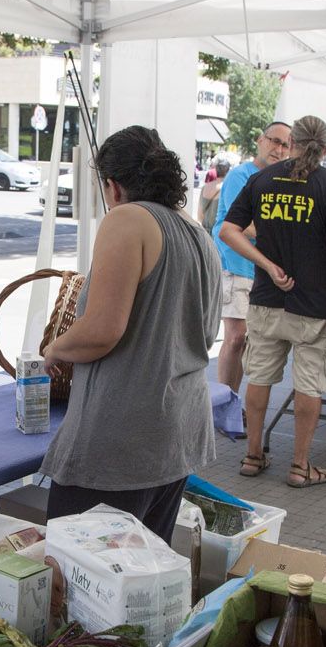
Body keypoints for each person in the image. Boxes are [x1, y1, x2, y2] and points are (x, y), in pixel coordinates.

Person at [39, 126, 219, 541]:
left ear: (112, 185)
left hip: (122, 441)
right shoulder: (197, 233)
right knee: (138, 581)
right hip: (178, 431)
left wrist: (55, 347)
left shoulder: (127, 219)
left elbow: (101, 331)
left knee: (80, 579)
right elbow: (205, 333)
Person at [220, 115, 326, 489]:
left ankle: (253, 455)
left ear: (291, 142)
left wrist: (266, 264)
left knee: (259, 376)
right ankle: (300, 466)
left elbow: (228, 230)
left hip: (266, 298)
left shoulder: (261, 180)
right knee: (310, 383)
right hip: (314, 304)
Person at [212, 122, 291, 393]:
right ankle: (225, 403)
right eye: (274, 141)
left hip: (261, 270)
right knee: (235, 337)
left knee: (247, 341)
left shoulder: (282, 181)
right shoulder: (240, 176)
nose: (279, 149)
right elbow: (240, 224)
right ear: (260, 140)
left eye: (285, 145)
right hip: (235, 265)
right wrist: (281, 236)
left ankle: (231, 401)